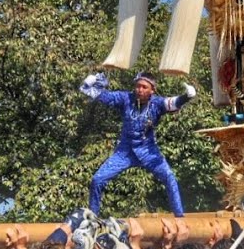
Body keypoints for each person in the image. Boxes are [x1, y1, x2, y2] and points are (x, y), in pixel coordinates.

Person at [82, 71, 195, 218]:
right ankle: (93, 217)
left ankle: (179, 216)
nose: (139, 90)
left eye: (144, 87)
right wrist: (89, 84)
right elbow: (105, 96)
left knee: (169, 177)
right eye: (138, 86)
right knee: (97, 179)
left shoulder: (157, 103)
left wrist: (186, 97)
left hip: (149, 151)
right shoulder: (126, 99)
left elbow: (172, 103)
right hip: (124, 152)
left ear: (152, 90)